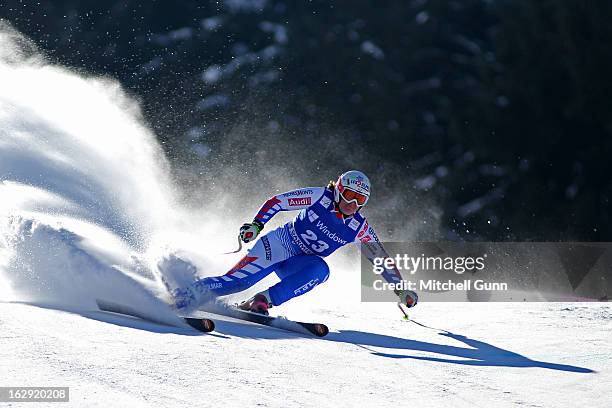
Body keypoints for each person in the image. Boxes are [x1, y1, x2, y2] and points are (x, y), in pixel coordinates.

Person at [172, 170, 418, 314]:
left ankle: (263, 300)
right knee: (239, 282)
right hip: (279, 245)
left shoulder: (358, 227)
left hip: (299, 262)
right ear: (340, 190)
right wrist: (256, 225)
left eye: (360, 199)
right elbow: (277, 201)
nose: (353, 203)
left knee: (321, 270)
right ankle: (185, 294)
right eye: (350, 195)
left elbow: (380, 259)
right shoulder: (320, 196)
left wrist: (400, 288)